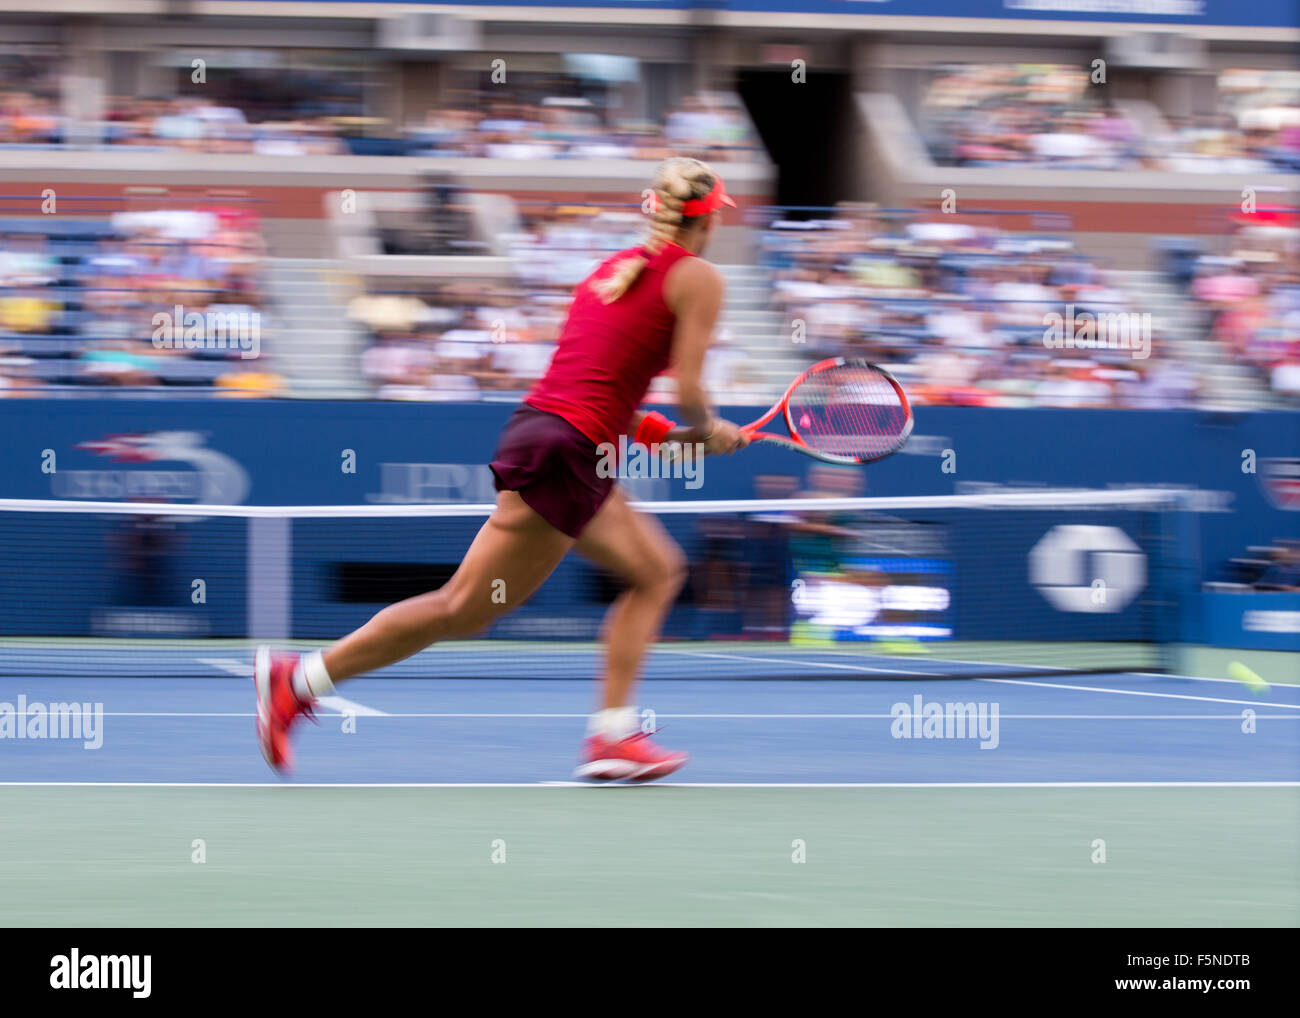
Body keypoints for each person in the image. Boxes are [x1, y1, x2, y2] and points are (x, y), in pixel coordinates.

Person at [254, 156, 748, 781]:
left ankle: (611, 735)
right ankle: (295, 680)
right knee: (474, 605)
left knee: (628, 576)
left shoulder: (611, 273)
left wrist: (679, 439)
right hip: (568, 448)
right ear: (707, 223)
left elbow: (608, 396)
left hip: (557, 439)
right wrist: (708, 429)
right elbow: (687, 394)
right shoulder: (699, 277)